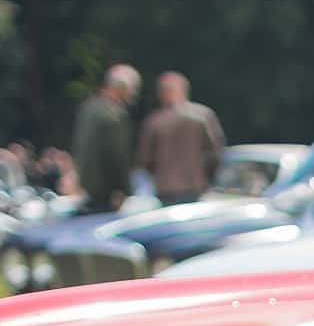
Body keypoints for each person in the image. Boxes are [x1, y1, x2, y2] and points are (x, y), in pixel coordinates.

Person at [139, 71, 226, 205]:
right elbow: (216, 153)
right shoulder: (204, 116)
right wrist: (206, 177)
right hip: (195, 186)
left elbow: (145, 160)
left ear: (162, 94)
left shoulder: (154, 121)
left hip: (165, 189)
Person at [71, 65, 141, 217]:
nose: (133, 94)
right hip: (106, 193)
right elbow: (118, 156)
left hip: (88, 188)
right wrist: (124, 190)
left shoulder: (89, 108)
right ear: (122, 88)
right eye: (132, 89)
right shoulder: (115, 115)